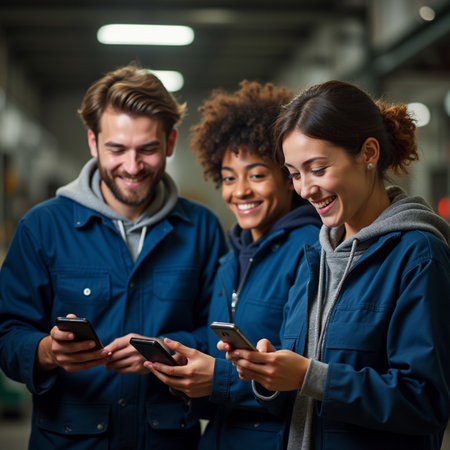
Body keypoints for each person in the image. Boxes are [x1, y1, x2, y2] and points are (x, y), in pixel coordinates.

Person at [0, 64, 227, 449]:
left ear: (170, 143)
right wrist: (47, 351)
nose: (132, 166)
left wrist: (163, 352)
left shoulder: (201, 229)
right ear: (93, 142)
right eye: (116, 149)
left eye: (148, 150)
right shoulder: (42, 227)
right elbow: (7, 332)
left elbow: (223, 333)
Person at [224, 80, 450, 450]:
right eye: (295, 174)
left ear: (368, 153)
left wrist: (312, 377)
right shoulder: (315, 258)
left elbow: (425, 401)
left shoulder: (418, 255)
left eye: (317, 168)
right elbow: (300, 393)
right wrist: (268, 375)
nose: (305, 189)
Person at [142, 80, 322, 450]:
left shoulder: (309, 251)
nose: (239, 191)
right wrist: (179, 355)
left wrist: (216, 380)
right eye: (228, 178)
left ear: (289, 178)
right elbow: (220, 353)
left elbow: (303, 375)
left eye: (256, 175)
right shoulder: (230, 258)